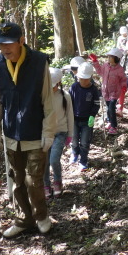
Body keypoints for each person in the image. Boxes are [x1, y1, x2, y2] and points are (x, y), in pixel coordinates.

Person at [0, 21, 56, 238]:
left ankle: (42, 217)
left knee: (34, 181)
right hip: (11, 136)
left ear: (21, 41)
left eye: (9, 43)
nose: (5, 49)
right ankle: (23, 220)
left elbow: (48, 99)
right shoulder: (0, 64)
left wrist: (49, 132)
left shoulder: (38, 62)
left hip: (35, 133)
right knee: (17, 181)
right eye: (1, 44)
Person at [44, 67, 74, 199]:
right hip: (45, 134)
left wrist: (70, 134)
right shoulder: (43, 96)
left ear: (59, 83)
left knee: (54, 159)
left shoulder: (65, 96)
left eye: (54, 86)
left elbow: (70, 115)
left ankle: (57, 182)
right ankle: (46, 185)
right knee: (44, 162)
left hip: (60, 132)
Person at [69, 62, 101, 171]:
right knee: (74, 139)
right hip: (74, 119)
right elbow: (69, 102)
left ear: (90, 78)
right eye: (81, 78)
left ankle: (83, 160)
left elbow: (96, 104)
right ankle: (74, 153)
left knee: (84, 142)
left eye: (85, 79)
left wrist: (92, 115)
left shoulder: (93, 90)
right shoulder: (74, 87)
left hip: (87, 120)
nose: (83, 81)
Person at [89, 48, 127, 135]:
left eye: (110, 57)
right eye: (108, 57)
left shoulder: (119, 69)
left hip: (114, 92)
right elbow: (99, 71)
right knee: (108, 107)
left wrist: (124, 86)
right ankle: (110, 121)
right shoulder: (106, 66)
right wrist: (95, 61)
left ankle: (114, 126)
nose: (108, 59)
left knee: (111, 108)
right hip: (105, 92)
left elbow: (123, 79)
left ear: (116, 58)